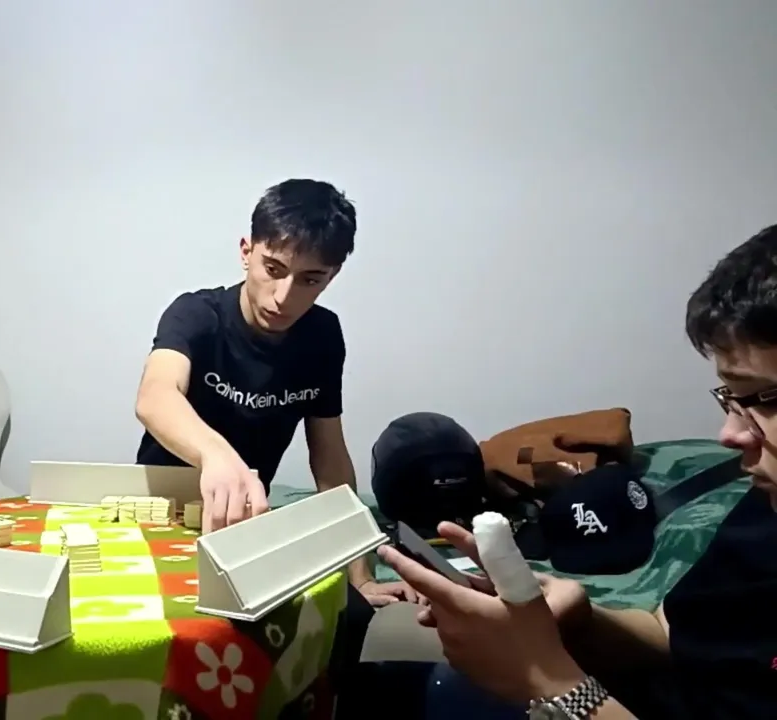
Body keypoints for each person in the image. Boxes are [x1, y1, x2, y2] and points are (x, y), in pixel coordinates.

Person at [376, 224, 777, 719]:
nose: (731, 435)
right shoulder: (766, 505)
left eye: (765, 400)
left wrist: (546, 679)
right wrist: (575, 617)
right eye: (731, 398)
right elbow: (673, 632)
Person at [134, 178, 415, 604]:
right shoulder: (196, 314)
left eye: (310, 280)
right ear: (246, 252)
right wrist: (217, 455)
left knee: (342, 617)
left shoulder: (323, 335)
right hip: (163, 509)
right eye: (273, 269)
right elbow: (155, 396)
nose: (284, 297)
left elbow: (330, 458)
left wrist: (360, 577)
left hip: (243, 520)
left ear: (332, 277)